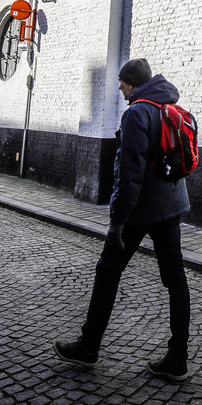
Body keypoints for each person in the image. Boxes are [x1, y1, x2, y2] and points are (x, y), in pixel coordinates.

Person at [54, 58, 191, 381]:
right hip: (171, 206)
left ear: (132, 83)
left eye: (122, 82)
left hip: (140, 211)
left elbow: (128, 174)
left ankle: (88, 347)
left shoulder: (136, 113)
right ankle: (178, 357)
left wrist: (117, 222)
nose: (118, 87)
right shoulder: (167, 106)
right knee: (175, 279)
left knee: (107, 272)